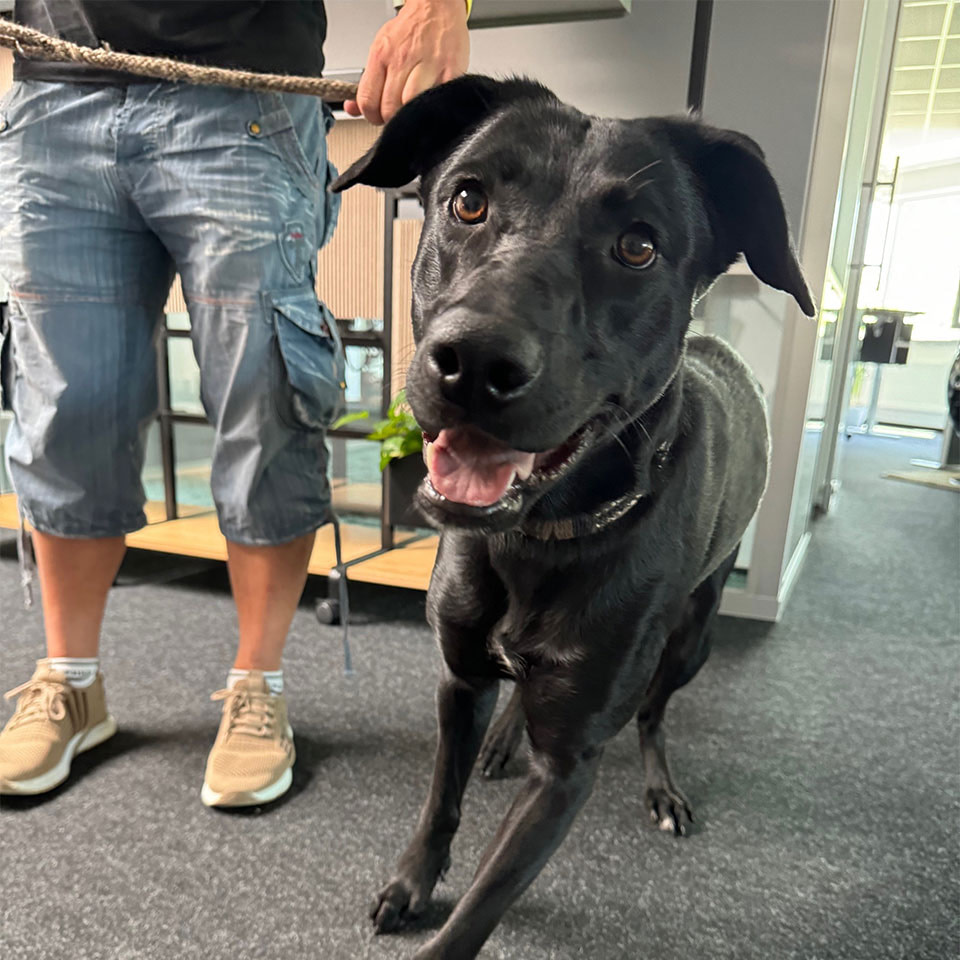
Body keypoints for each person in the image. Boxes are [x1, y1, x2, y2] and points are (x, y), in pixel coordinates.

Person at [0, 0, 470, 805]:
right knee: (61, 409)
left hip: (243, 93)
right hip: (53, 89)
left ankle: (259, 687)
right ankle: (71, 682)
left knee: (264, 395)